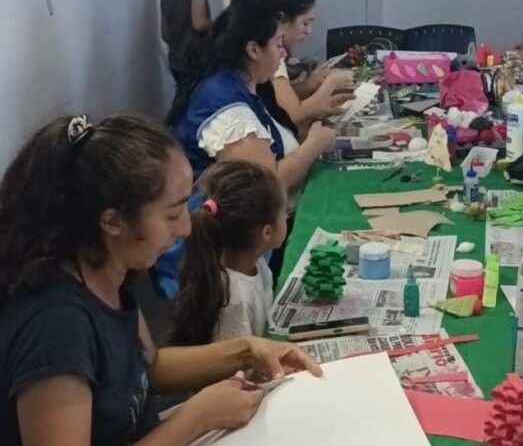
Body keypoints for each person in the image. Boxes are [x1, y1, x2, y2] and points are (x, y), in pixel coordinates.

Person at [0, 115, 321, 446]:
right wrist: (196, 417)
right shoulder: (56, 328)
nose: (185, 228)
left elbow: (148, 365)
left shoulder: (107, 271)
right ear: (112, 222)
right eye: (172, 214)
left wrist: (247, 351)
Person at [167, 0, 339, 280]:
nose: (284, 52)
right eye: (277, 44)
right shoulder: (224, 103)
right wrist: (314, 144)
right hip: (224, 257)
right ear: (253, 49)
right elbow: (266, 185)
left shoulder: (245, 87)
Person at [168, 161, 286, 346]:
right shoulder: (235, 301)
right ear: (267, 233)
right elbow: (238, 367)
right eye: (283, 213)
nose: (285, 217)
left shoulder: (256, 262)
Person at [263, 0, 355, 127]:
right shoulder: (272, 54)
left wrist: (310, 84)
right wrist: (331, 83)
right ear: (282, 19)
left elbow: (277, 98)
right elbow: (292, 114)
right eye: (305, 23)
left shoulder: (275, 48)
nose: (309, 31)